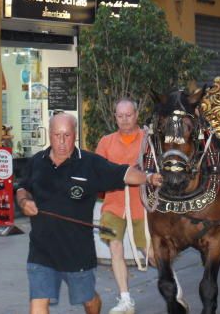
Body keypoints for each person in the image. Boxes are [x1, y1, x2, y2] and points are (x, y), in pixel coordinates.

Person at [16, 113, 163, 314]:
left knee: (89, 302)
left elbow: (122, 173)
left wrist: (148, 177)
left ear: (74, 135)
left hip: (78, 254)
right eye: (57, 135)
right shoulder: (36, 162)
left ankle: (93, 302)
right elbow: (22, 187)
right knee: (38, 304)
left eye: (66, 135)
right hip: (41, 252)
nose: (61, 141)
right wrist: (24, 201)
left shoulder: (90, 163)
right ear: (49, 135)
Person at [95, 99, 147, 314]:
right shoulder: (106, 142)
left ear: (136, 114)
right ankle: (125, 299)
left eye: (128, 115)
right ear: (115, 117)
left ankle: (173, 287)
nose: (124, 120)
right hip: (114, 203)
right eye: (120, 116)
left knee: (150, 251)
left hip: (141, 204)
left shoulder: (148, 140)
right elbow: (97, 172)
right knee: (115, 247)